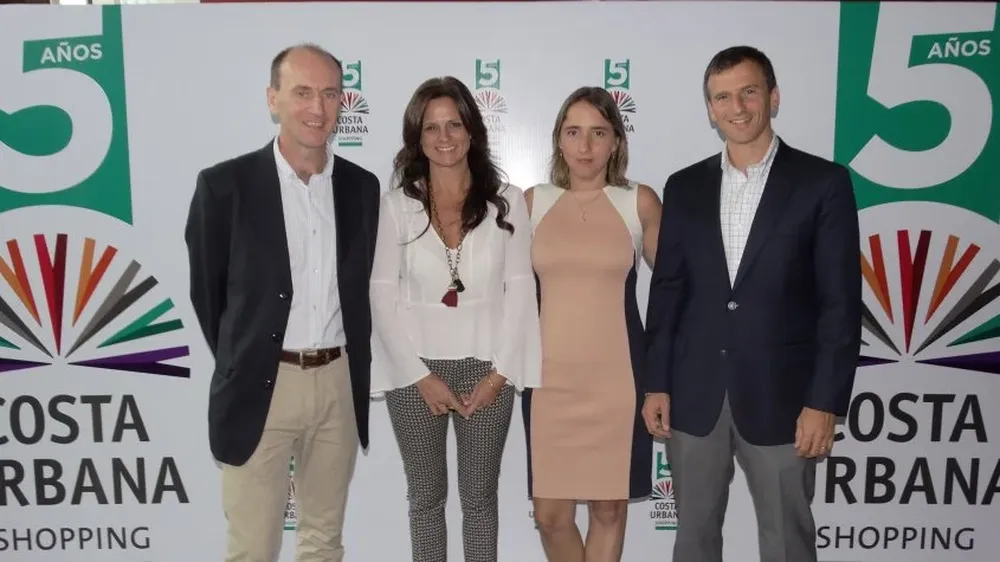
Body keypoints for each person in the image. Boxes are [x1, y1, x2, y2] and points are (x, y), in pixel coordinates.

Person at [642, 45, 862, 562]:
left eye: (748, 91)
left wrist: (824, 401)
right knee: (693, 541)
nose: (736, 107)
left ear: (773, 97)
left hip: (786, 400)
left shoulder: (823, 183)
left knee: (787, 542)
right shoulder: (685, 185)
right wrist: (657, 382)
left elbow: (840, 303)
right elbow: (668, 291)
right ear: (710, 109)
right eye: (722, 97)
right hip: (695, 399)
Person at [184, 43, 380, 562]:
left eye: (330, 93)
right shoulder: (225, 186)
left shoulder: (362, 188)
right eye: (302, 93)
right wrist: (246, 354)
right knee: (253, 546)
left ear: (343, 102)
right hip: (260, 385)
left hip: (338, 384)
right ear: (273, 100)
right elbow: (210, 294)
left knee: (323, 541)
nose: (318, 108)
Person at [369, 75, 540, 562]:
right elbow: (380, 295)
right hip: (414, 372)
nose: (444, 137)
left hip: (489, 369)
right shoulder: (397, 205)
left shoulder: (505, 201)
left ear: (472, 130)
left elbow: (522, 293)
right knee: (425, 501)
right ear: (416, 138)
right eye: (431, 128)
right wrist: (420, 377)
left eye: (454, 124)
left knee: (481, 502)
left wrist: (500, 375)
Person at [522, 86, 661, 561]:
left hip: (617, 382)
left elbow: (677, 287)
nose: (585, 146)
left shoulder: (638, 202)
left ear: (616, 142)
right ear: (559, 140)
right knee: (550, 516)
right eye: (574, 132)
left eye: (598, 133)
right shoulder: (532, 203)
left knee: (608, 510)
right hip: (547, 382)